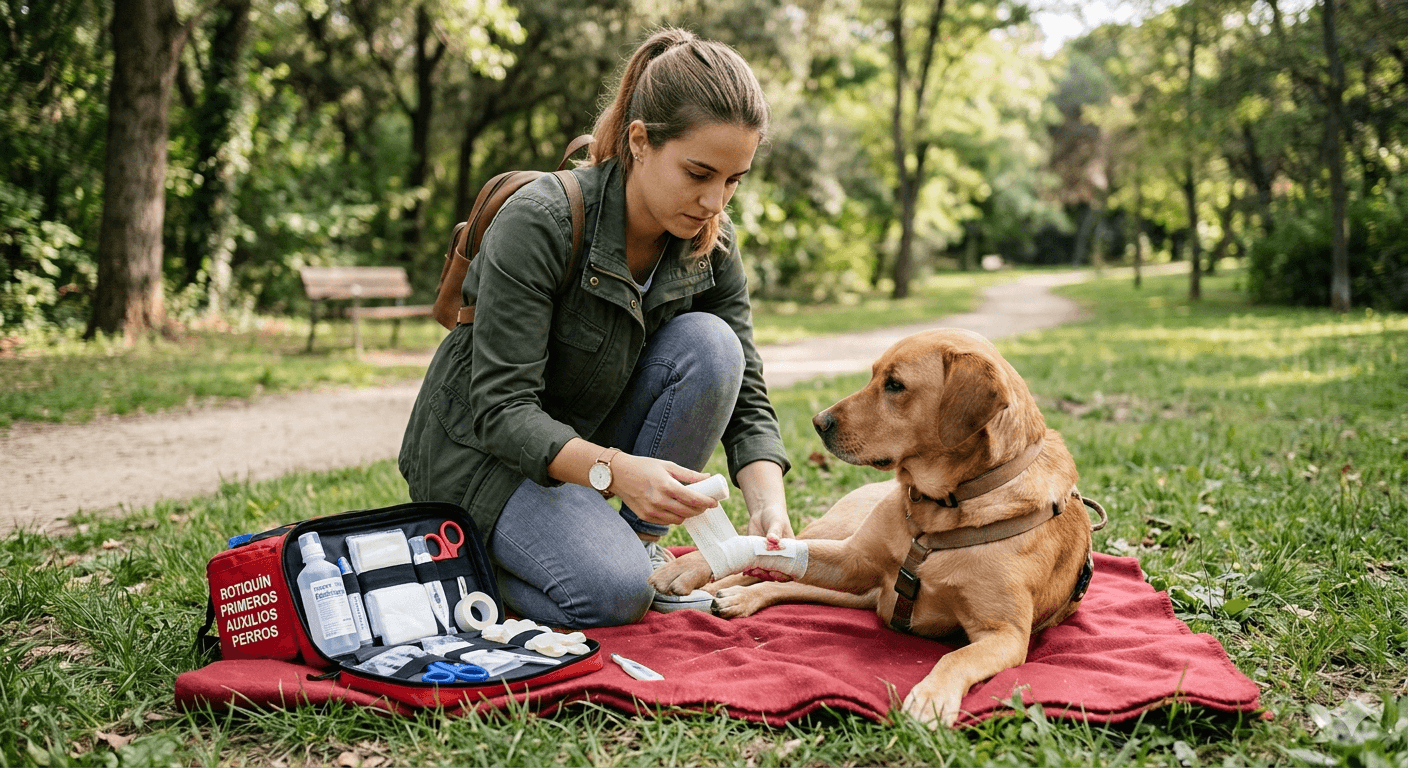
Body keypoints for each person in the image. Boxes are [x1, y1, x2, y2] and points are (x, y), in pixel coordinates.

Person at [399, 27, 794, 628]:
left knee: (714, 347)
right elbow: (502, 410)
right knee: (615, 595)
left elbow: (746, 393)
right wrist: (617, 470)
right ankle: (461, 563)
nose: (716, 200)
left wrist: (768, 505)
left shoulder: (709, 241)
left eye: (733, 179)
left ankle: (630, 549)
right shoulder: (540, 221)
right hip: (480, 457)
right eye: (698, 173)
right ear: (640, 141)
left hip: (582, 446)